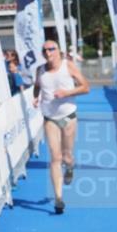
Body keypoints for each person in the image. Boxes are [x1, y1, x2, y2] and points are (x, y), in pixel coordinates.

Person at [33, 40, 90, 214]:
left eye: (51, 49)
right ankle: (58, 198)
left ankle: (70, 167)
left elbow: (86, 87)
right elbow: (37, 86)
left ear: (58, 51)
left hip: (68, 117)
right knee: (55, 158)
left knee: (66, 157)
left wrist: (67, 93)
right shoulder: (40, 70)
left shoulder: (68, 66)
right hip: (49, 118)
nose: (48, 52)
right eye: (44, 50)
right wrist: (35, 97)